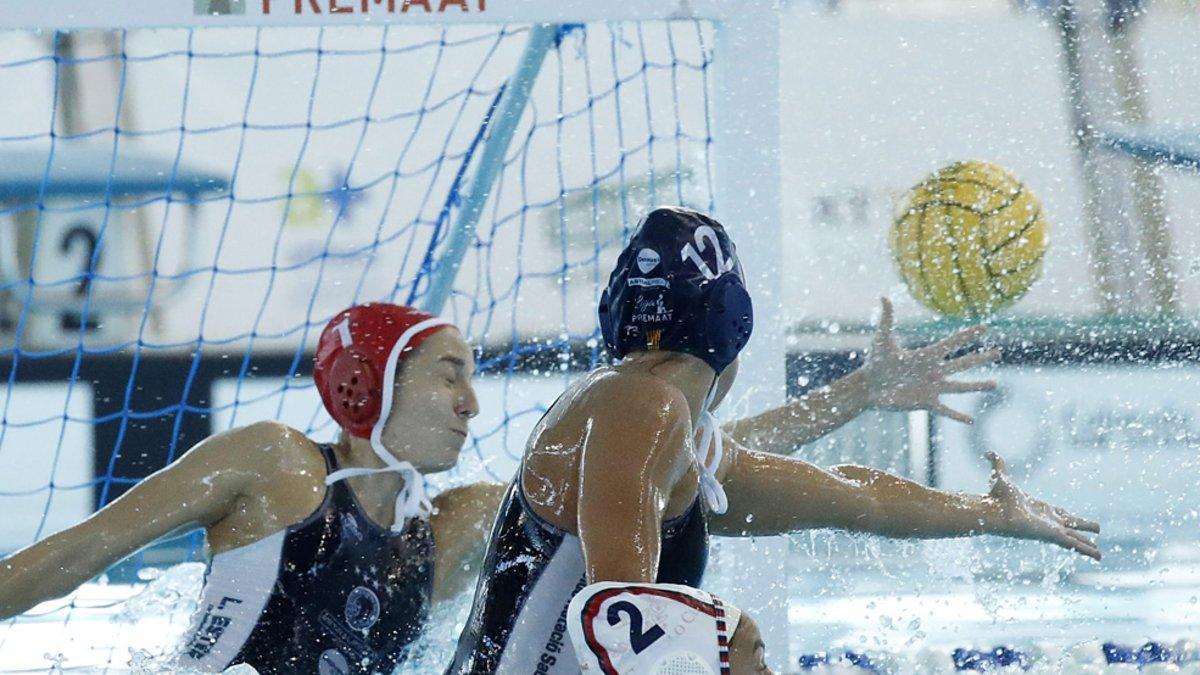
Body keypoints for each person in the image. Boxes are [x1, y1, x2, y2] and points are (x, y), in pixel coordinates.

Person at [447, 207, 1100, 674]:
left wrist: (991, 513)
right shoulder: (642, 407)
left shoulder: (644, 414)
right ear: (735, 324)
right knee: (736, 640)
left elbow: (852, 496)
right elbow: (626, 624)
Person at [0, 303, 506, 674]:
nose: (470, 403)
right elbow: (83, 550)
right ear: (365, 383)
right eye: (449, 377)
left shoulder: (456, 526)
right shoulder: (278, 465)